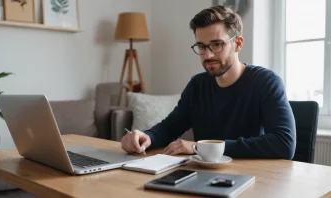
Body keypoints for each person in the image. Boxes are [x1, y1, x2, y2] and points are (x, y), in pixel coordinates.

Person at [121, 5, 296, 159]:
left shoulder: (266, 82)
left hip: (252, 179)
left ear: (238, 44)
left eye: (217, 44)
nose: (208, 55)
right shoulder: (198, 85)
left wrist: (201, 147)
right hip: (204, 178)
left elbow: (284, 144)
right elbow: (170, 127)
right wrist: (146, 137)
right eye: (202, 46)